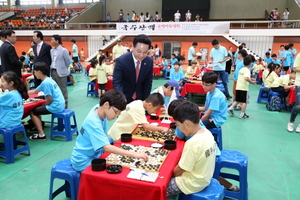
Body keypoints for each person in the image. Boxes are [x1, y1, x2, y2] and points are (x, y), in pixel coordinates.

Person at [71, 90, 148, 172]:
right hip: (84, 161)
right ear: (106, 104)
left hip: (95, 153)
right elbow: (107, 148)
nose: (116, 116)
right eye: (116, 112)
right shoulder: (93, 122)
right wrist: (134, 154)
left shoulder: (99, 108)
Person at [166, 101, 216, 199]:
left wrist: (169, 175)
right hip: (204, 178)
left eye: (178, 126)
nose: (179, 128)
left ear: (187, 123)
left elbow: (179, 170)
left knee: (160, 188)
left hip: (192, 183)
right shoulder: (206, 132)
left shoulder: (193, 143)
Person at [27, 62, 65, 141]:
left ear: (39, 72)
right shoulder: (48, 80)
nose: (34, 74)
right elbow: (34, 91)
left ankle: (41, 134)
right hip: (60, 104)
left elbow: (49, 99)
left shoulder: (46, 83)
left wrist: (45, 105)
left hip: (55, 106)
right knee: (37, 108)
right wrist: (21, 93)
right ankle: (38, 126)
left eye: (34, 72)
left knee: (33, 111)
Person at [113, 34, 153, 103]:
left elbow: (148, 82)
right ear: (133, 47)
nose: (141, 55)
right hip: (124, 97)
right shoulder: (121, 61)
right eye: (139, 51)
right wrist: (121, 99)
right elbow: (117, 82)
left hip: (140, 98)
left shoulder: (149, 61)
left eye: (145, 52)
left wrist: (145, 100)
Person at [50, 34, 70, 108]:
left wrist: (63, 69)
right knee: (54, 88)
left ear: (57, 41)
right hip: (53, 71)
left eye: (52, 40)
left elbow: (68, 62)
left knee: (62, 88)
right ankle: (57, 102)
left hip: (61, 72)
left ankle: (65, 103)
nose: (51, 41)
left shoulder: (64, 50)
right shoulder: (51, 50)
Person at [287, 53, 300, 132]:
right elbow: (295, 68)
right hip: (299, 83)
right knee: (298, 105)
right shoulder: (299, 55)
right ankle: (291, 122)